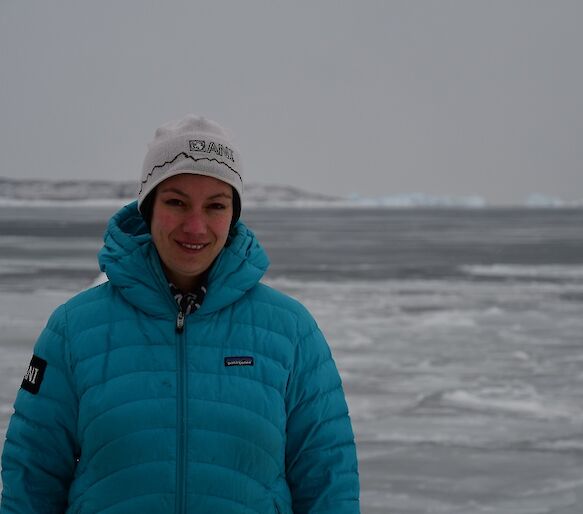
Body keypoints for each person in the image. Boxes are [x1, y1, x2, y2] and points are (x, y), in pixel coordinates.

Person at [0, 115, 360, 513]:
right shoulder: (74, 329)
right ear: (148, 207)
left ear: (233, 215)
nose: (195, 226)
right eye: (176, 202)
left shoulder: (290, 331)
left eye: (215, 206)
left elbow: (329, 480)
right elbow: (30, 478)